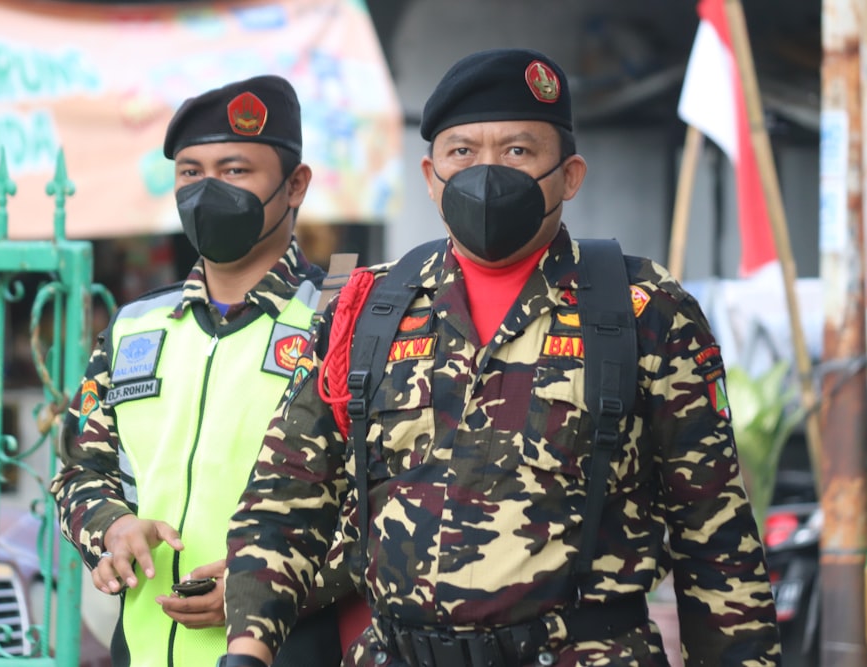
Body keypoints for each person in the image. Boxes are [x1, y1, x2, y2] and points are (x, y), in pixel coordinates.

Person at [220, 49, 782, 667]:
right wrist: (248, 652)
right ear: (432, 176)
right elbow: (283, 501)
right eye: (463, 152)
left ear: (569, 175)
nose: (487, 173)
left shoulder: (642, 310)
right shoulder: (364, 307)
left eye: (517, 151)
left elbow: (716, 537)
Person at [50, 75, 360, 667]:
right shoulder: (134, 326)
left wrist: (261, 587)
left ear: (294, 185)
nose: (207, 189)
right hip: (142, 649)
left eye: (235, 170)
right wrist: (110, 528)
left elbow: (387, 497)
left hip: (290, 650)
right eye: (191, 173)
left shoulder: (345, 315)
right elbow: (79, 470)